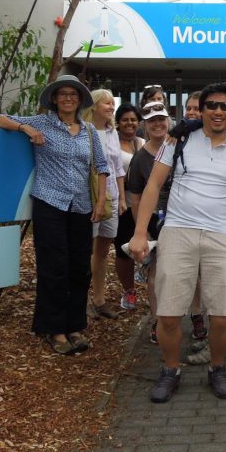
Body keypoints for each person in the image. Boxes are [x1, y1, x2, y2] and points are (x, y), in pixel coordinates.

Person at [128, 84, 226, 403]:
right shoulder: (177, 141)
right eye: (211, 105)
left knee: (223, 315)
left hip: (222, 236)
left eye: (225, 106)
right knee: (169, 314)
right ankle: (171, 369)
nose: (218, 111)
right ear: (202, 109)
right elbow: (153, 185)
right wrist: (141, 232)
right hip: (178, 232)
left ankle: (218, 367)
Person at [0, 75, 109, 355]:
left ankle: (74, 325)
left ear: (80, 100)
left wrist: (100, 201)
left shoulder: (89, 130)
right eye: (62, 94)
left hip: (81, 206)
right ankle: (53, 328)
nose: (68, 98)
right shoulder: (42, 122)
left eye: (73, 94)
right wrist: (25, 129)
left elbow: (101, 167)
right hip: (49, 203)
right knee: (54, 267)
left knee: (80, 267)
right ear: (54, 99)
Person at [125, 101, 209, 346]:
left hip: (188, 215)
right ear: (145, 125)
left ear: (168, 121)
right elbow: (136, 198)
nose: (158, 124)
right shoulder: (140, 159)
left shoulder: (185, 147)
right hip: (156, 220)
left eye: (161, 119)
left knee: (193, 270)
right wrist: (141, 230)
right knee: (156, 273)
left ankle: (196, 316)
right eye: (151, 120)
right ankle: (157, 319)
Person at [83, 89, 127, 320]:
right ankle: (81, 300)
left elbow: (118, 167)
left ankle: (98, 299)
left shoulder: (112, 132)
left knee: (102, 252)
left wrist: (122, 197)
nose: (111, 107)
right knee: (85, 249)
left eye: (112, 103)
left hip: (112, 198)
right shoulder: (84, 130)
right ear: (94, 106)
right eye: (106, 103)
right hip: (89, 197)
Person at [113, 103, 144, 310]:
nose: (129, 123)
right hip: (121, 203)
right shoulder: (112, 143)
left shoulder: (142, 143)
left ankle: (151, 290)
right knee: (123, 248)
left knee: (147, 246)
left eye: (133, 119)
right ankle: (129, 290)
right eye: (125, 119)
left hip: (141, 202)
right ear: (118, 122)